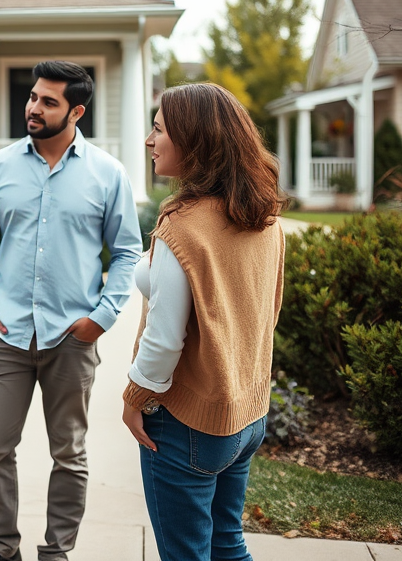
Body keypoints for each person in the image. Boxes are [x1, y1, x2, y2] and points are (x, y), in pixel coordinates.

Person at [0, 60, 143, 561]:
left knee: (69, 452)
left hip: (73, 337)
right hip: (7, 336)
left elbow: (127, 251)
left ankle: (56, 552)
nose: (33, 107)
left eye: (48, 101)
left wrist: (102, 318)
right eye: (33, 97)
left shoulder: (108, 174)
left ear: (76, 111)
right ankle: (1, 549)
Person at [122, 82, 286, 561]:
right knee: (227, 545)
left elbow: (163, 341)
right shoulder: (263, 215)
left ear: (193, 140)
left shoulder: (182, 226)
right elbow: (267, 311)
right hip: (246, 415)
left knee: (187, 555)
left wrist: (134, 397)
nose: (149, 141)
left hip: (188, 424)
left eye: (158, 130)